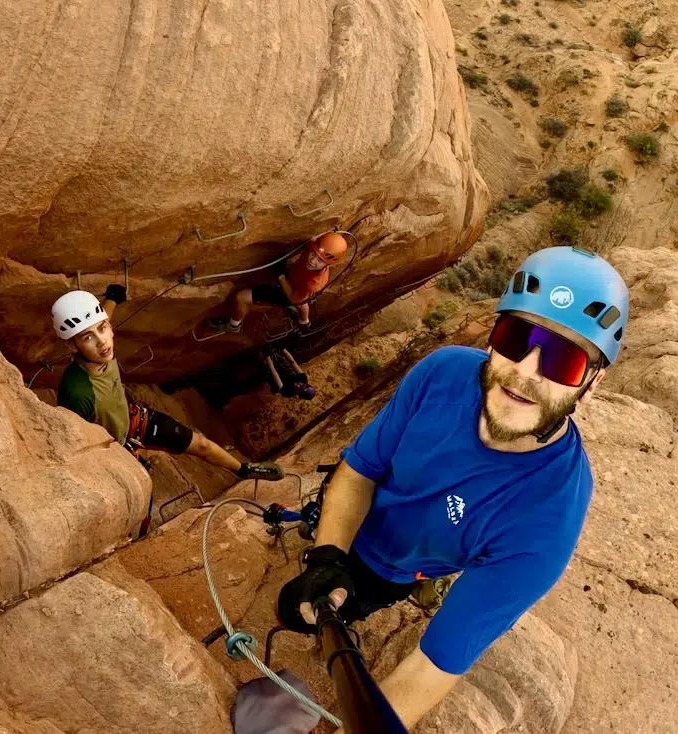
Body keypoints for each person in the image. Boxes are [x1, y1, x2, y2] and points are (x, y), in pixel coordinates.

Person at [274, 246, 630, 730]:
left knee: (320, 613)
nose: (526, 371)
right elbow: (360, 471)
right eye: (516, 336)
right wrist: (325, 557)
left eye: (564, 360)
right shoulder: (442, 373)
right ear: (493, 336)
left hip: (392, 572)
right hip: (352, 517)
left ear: (592, 382)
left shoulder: (548, 516)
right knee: (292, 606)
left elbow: (434, 662)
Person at [51, 287, 285, 481]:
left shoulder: (99, 345)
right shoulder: (77, 392)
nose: (102, 342)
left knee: (201, 444)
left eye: (103, 328)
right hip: (114, 447)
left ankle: (243, 470)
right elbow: (76, 440)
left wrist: (112, 299)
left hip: (131, 420)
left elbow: (102, 318)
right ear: (71, 346)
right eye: (88, 337)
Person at [208, 231, 347, 334]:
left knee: (241, 297)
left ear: (328, 263)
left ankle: (233, 325)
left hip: (289, 293)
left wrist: (281, 277)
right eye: (313, 254)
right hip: (294, 280)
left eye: (319, 260)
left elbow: (294, 298)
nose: (312, 260)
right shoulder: (315, 247)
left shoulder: (314, 283)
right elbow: (314, 241)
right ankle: (304, 322)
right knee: (303, 301)